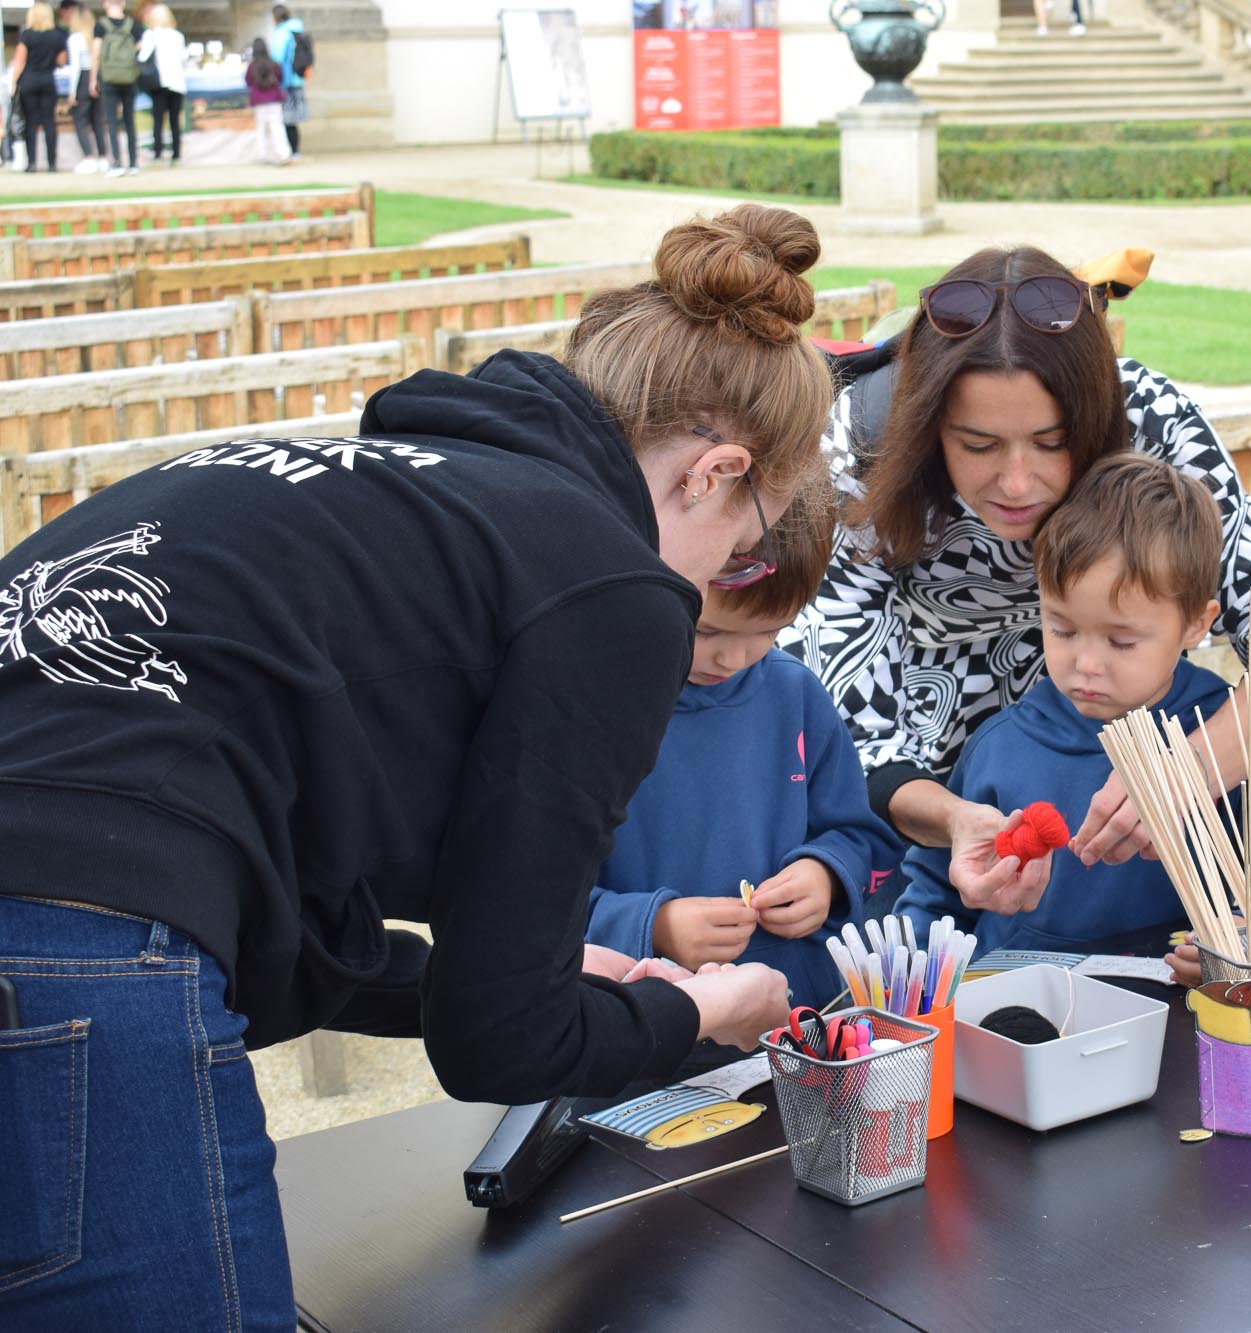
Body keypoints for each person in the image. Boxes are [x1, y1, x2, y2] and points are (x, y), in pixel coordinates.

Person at [0, 204, 822, 1326]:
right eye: (746, 543)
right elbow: (499, 1041)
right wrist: (698, 1014)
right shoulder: (610, 587)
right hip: (83, 940)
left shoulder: (394, 487)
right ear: (715, 473)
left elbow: (303, 903)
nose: (724, 575)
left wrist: (540, 963)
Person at [786, 245, 1251, 925]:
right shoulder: (865, 447)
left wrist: (1185, 774)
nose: (1018, 483)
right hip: (927, 790)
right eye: (979, 444)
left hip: (1139, 745)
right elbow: (849, 733)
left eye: (1053, 442)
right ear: (927, 423)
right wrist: (955, 820)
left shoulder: (1153, 421)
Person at [897, 452, 1251, 953]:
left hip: (1183, 1013)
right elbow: (935, 892)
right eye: (1061, 629)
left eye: (1121, 642)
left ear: (1197, 622)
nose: (1085, 663)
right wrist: (909, 967)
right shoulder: (999, 744)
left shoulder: (1235, 739)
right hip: (1011, 1011)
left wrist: (1245, 940)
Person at [587, 474, 901, 1008]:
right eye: (707, 632)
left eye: (768, 631)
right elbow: (534, 898)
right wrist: (655, 923)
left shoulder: (795, 694)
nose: (733, 659)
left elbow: (860, 835)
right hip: (642, 1019)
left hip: (794, 1016)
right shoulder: (595, 711)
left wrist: (823, 874)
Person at [7, 2, 67, 172]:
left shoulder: (27, 35)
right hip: (48, 81)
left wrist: (13, 83)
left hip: (29, 81)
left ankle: (32, 162)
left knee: (31, 123)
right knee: (49, 122)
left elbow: (20, 61)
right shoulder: (56, 36)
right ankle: (51, 163)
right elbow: (62, 61)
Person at [59, 0, 106, 174]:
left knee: (80, 120)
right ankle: (102, 157)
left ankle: (88, 157)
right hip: (97, 78)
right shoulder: (95, 36)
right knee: (97, 121)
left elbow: (76, 67)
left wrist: (72, 92)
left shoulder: (75, 38)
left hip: (83, 79)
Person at [136, 1, 184, 166]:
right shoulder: (178, 36)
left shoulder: (151, 35)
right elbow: (183, 59)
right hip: (177, 83)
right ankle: (176, 156)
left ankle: (157, 156)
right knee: (174, 121)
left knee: (158, 121)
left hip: (160, 83)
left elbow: (142, 57)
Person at [95, 0, 137, 174]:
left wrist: (93, 78)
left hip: (109, 77)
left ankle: (117, 162)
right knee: (129, 121)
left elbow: (96, 53)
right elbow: (141, 46)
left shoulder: (101, 25)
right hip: (129, 76)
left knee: (112, 121)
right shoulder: (133, 25)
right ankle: (133, 163)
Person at [270, 2, 306, 161]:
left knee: (285, 119)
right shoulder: (297, 31)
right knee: (293, 121)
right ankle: (295, 151)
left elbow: (276, 58)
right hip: (297, 80)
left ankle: (289, 151)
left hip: (285, 81)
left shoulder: (281, 33)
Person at [244, 34, 285, 165]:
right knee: (277, 127)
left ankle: (263, 155)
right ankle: (282, 154)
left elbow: (248, 81)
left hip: (259, 101)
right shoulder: (274, 64)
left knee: (261, 129)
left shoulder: (252, 66)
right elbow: (280, 77)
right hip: (273, 99)